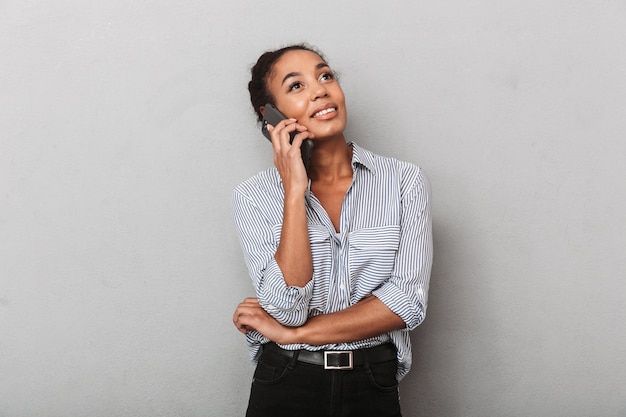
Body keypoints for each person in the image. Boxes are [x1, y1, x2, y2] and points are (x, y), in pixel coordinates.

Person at [231, 44, 433, 417]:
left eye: (325, 76)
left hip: (372, 382)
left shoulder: (404, 181)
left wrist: (293, 335)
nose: (320, 89)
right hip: (285, 380)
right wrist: (294, 191)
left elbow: (406, 303)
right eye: (296, 86)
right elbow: (286, 308)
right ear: (270, 115)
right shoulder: (253, 197)